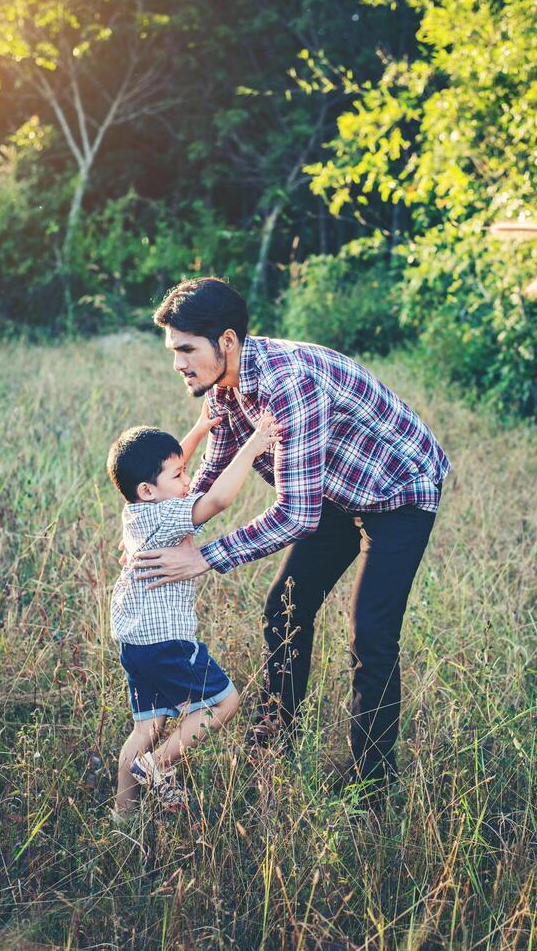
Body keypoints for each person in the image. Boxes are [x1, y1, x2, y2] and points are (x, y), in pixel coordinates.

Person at [132, 276, 451, 802]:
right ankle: (272, 744)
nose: (179, 363)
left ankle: (371, 785)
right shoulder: (227, 387)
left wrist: (206, 557)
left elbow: (297, 515)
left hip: (399, 491)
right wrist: (169, 529)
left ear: (226, 342)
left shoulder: (289, 383)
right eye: (174, 351)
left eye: (187, 349)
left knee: (370, 632)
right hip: (335, 490)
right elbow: (215, 467)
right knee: (284, 607)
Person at [107, 402, 279, 818]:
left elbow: (165, 471)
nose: (188, 481)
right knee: (223, 703)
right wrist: (255, 444)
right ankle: (156, 766)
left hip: (134, 642)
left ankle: (123, 815)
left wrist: (200, 430)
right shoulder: (168, 514)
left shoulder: (140, 508)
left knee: (146, 728)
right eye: (180, 475)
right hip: (166, 643)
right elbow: (217, 498)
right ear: (149, 489)